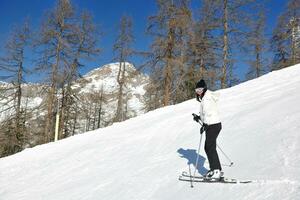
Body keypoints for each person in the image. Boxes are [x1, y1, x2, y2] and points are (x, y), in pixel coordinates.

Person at [193, 79, 223, 180]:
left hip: (213, 125)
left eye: (200, 90)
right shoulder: (206, 97)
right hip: (213, 124)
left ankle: (216, 170)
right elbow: (206, 114)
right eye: (197, 90)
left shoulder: (207, 98)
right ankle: (215, 169)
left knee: (209, 147)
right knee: (209, 147)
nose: (199, 92)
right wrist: (199, 118)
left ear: (204, 89)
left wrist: (205, 124)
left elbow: (209, 112)